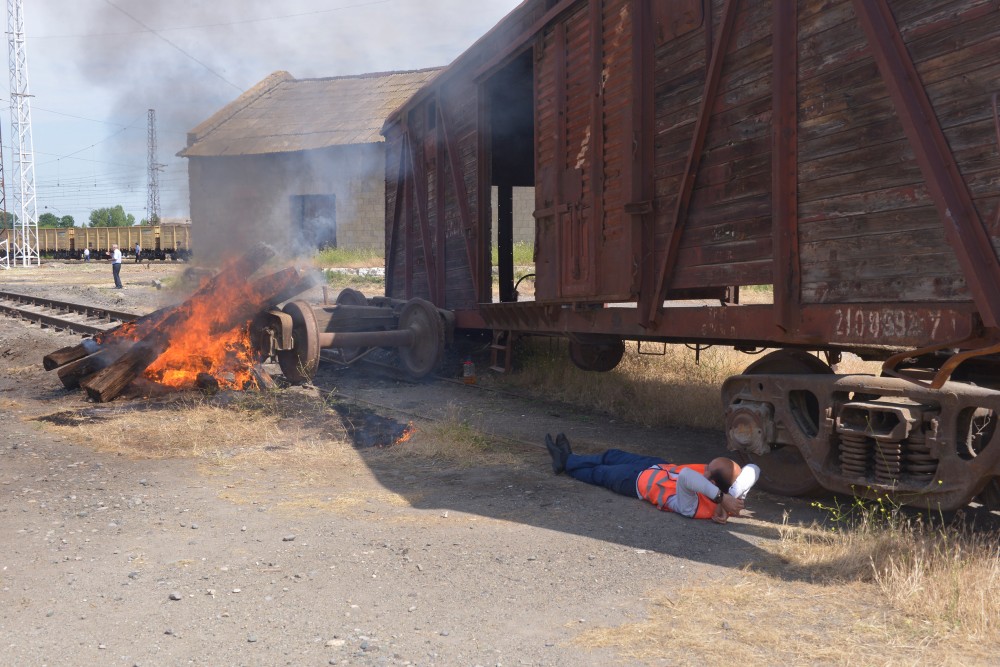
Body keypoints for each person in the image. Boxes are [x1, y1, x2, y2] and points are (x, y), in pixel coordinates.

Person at [544, 433, 759, 524]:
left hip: (635, 482)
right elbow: (754, 468)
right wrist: (732, 497)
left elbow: (685, 476)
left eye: (708, 470)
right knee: (610, 455)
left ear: (713, 484)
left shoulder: (692, 507)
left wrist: (721, 500)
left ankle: (565, 462)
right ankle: (568, 457)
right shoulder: (727, 490)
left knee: (598, 473)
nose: (703, 468)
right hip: (656, 466)